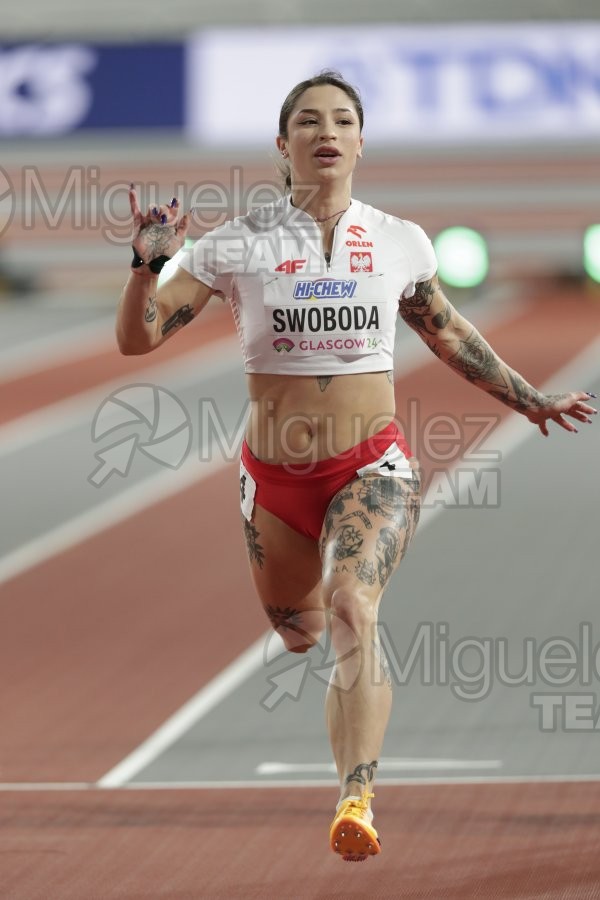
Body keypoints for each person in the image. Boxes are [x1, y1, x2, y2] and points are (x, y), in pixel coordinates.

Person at [116, 71, 596, 863]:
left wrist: (530, 400)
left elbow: (449, 335)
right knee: (300, 631)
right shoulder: (236, 243)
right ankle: (345, 751)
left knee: (351, 610)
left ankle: (357, 796)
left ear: (362, 141)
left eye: (342, 118)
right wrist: (144, 267)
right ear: (284, 144)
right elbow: (138, 341)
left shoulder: (400, 240)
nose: (326, 130)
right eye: (308, 120)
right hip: (273, 483)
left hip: (370, 467)